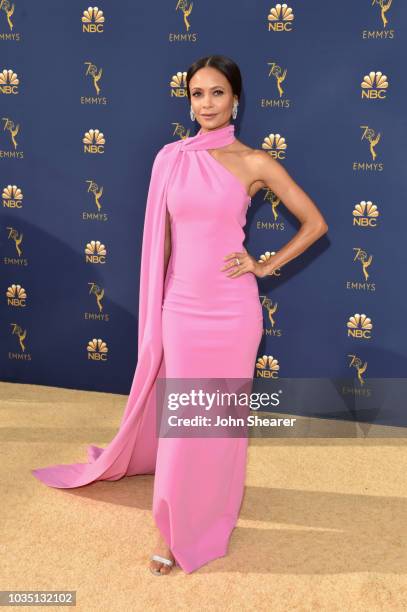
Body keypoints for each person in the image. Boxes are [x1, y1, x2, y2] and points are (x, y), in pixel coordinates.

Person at [31, 54, 328, 576]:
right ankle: (172, 524)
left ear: (236, 99)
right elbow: (161, 245)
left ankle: (209, 517)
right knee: (183, 422)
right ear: (188, 99)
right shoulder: (170, 158)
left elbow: (314, 223)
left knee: (218, 424)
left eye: (217, 93)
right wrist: (161, 308)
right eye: (197, 94)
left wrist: (265, 264)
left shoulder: (255, 162)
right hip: (183, 308)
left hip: (233, 311)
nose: (206, 104)